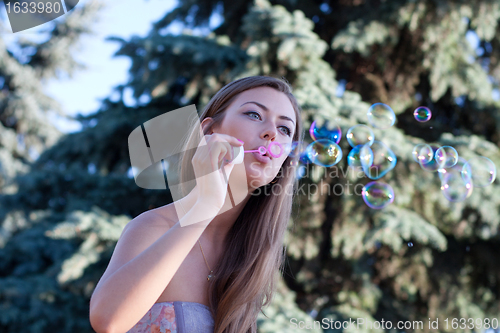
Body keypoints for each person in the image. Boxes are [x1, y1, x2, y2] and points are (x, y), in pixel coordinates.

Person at [89, 76, 304, 333]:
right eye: (254, 114)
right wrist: (205, 206)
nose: (272, 133)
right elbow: (108, 321)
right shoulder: (154, 227)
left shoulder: (252, 256)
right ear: (209, 131)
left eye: (285, 129)